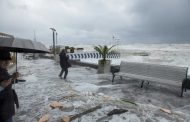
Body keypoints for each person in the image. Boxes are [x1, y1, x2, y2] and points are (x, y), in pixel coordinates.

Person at [0, 50, 19, 122]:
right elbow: (4, 84)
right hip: (3, 110)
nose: (7, 62)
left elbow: (7, 81)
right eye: (4, 60)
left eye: (8, 60)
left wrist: (13, 78)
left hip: (7, 107)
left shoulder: (4, 71)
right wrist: (1, 86)